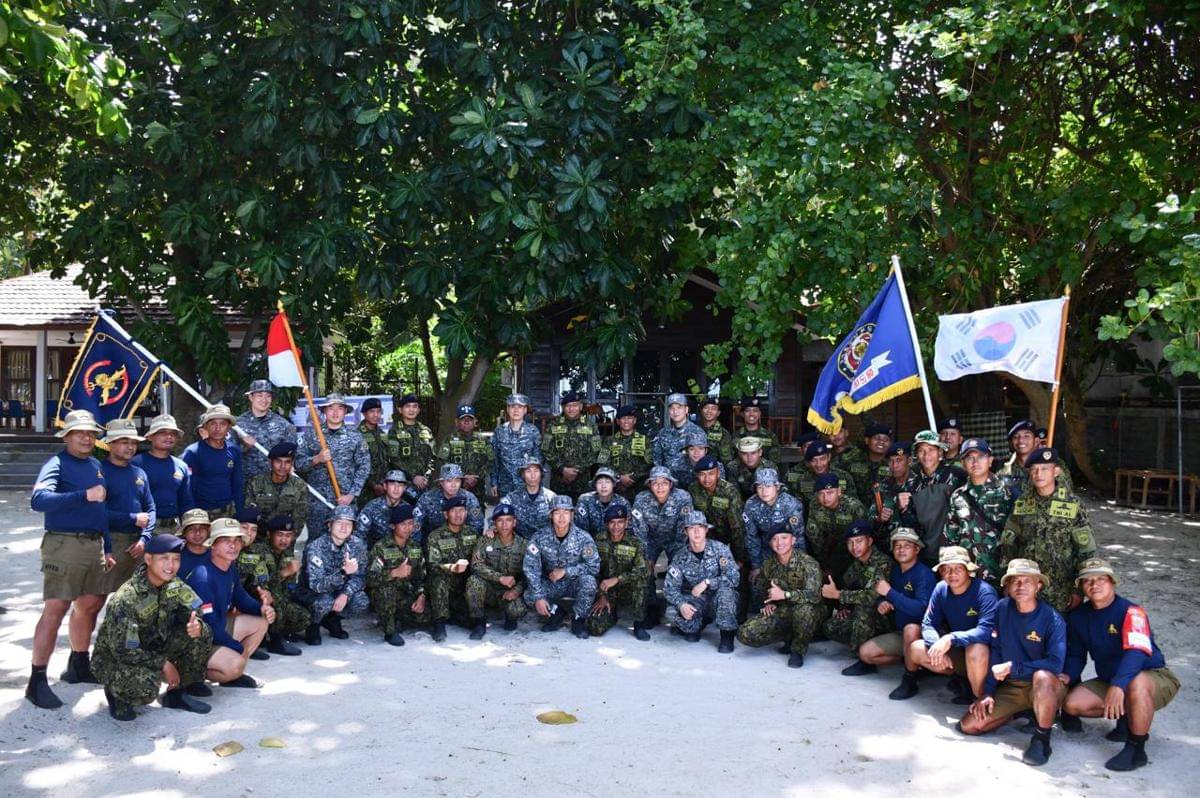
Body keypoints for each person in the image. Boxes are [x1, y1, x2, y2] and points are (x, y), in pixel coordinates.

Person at [27, 410, 112, 708]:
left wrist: (109, 547)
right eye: (79, 433)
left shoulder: (95, 464)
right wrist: (82, 495)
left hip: (93, 545)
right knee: (57, 608)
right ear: (66, 437)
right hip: (64, 544)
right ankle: (36, 680)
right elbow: (38, 500)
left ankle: (77, 664)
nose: (86, 437)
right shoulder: (57, 464)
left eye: (90, 433)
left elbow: (100, 508)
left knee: (90, 604)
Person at [1061, 559, 1180, 772]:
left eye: (1101, 579)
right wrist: (1068, 675)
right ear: (1081, 587)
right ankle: (1128, 718)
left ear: (1113, 582)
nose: (1094, 584)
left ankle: (1136, 747)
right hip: (1112, 679)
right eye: (1087, 581)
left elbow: (1137, 652)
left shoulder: (1133, 612)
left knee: (1137, 682)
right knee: (1072, 704)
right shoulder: (1079, 617)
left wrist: (1118, 686)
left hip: (1152, 676)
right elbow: (1077, 655)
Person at [92, 534, 214, 720]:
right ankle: (117, 695)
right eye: (164, 558)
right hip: (118, 658)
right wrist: (163, 664)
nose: (171, 565)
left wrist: (195, 623)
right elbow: (123, 651)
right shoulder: (127, 598)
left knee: (201, 634)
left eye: (176, 559)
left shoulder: (174, 584)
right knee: (145, 687)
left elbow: (194, 609)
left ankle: (177, 693)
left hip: (154, 645)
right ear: (148, 559)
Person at [959, 559, 1067, 768]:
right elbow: (996, 650)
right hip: (1013, 686)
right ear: (1007, 586)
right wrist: (988, 692)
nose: (1020, 586)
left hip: (1045, 685)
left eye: (1027, 581)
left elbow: (1055, 664)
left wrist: (1013, 667)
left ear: (1039, 585)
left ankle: (1042, 737)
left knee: (1043, 676)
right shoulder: (1003, 608)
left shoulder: (1052, 619)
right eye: (1014, 581)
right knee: (969, 726)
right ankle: (1019, 711)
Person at [999, 447, 1097, 612]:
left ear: (1056, 471)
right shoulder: (1022, 504)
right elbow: (1008, 544)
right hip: (1027, 587)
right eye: (1034, 470)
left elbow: (1085, 550)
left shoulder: (1073, 505)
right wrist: (1008, 581)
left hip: (1061, 590)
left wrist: (1078, 589)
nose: (1039, 474)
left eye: (1044, 469)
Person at [185, 517, 275, 690]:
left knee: (261, 621)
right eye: (226, 541)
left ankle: (234, 673)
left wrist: (263, 609)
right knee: (236, 662)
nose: (233, 546)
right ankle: (192, 674)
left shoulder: (229, 567)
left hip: (217, 627)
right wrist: (236, 648)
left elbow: (241, 598)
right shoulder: (202, 577)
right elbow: (208, 627)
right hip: (197, 640)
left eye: (236, 540)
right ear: (213, 545)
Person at [906, 546, 998, 704]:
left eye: (958, 569)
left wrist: (950, 639)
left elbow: (986, 631)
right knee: (916, 649)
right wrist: (936, 645)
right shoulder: (941, 588)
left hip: (987, 657)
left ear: (968, 570)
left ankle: (980, 700)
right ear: (941, 572)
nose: (952, 574)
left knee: (976, 649)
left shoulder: (985, 592)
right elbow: (928, 623)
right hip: (959, 651)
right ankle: (962, 679)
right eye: (946, 569)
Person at [859, 528, 938, 698]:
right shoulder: (895, 571)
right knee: (866, 653)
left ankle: (910, 680)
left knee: (911, 628)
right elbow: (885, 595)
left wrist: (890, 594)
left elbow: (921, 609)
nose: (901, 550)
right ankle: (916, 663)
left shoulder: (923, 574)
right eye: (897, 546)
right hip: (900, 632)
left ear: (917, 549)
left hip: (924, 634)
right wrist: (883, 602)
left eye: (907, 546)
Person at [737, 524, 827, 668]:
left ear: (793, 540)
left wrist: (785, 595)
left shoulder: (808, 563)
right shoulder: (769, 565)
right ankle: (790, 635)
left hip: (810, 610)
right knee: (745, 633)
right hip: (783, 611)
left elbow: (814, 595)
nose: (779, 543)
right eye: (774, 539)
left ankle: (798, 650)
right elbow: (764, 590)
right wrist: (769, 602)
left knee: (804, 611)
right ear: (770, 543)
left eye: (784, 538)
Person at [821, 521, 895, 674]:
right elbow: (848, 583)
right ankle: (866, 646)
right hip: (870, 619)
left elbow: (872, 596)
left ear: (870, 541)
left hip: (888, 618)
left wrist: (838, 595)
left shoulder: (882, 562)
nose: (855, 547)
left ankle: (865, 661)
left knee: (863, 608)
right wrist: (845, 608)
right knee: (831, 626)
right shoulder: (858, 563)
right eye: (851, 543)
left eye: (859, 541)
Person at [523, 495, 601, 638]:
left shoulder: (583, 538)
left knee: (589, 582)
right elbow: (531, 567)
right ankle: (556, 612)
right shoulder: (539, 537)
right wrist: (539, 597)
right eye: (557, 512)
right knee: (529, 595)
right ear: (551, 515)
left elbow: (594, 567)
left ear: (572, 515)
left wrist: (566, 571)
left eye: (566, 512)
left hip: (574, 583)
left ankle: (578, 619)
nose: (562, 517)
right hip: (551, 583)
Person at [662, 511, 740, 652]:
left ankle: (727, 636)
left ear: (706, 530)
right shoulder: (680, 556)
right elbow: (669, 588)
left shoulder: (720, 549)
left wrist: (708, 582)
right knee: (671, 612)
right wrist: (681, 604)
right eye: (692, 528)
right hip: (698, 601)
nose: (696, 532)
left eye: (700, 527)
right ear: (686, 531)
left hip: (718, 599)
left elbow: (734, 578)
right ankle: (696, 625)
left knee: (727, 594)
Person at [296, 393, 371, 536]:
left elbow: (364, 466)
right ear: (324, 411)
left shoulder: (355, 437)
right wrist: (316, 459)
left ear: (345, 411)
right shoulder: (312, 435)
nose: (335, 412)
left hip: (344, 501)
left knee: (345, 542)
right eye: (331, 408)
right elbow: (298, 464)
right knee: (315, 542)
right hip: (318, 502)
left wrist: (352, 494)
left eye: (340, 408)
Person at [942, 438, 1013, 584]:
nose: (975, 462)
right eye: (969, 458)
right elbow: (951, 535)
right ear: (962, 463)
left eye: (980, 457)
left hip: (999, 572)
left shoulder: (1007, 493)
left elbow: (1016, 535)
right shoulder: (958, 496)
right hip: (967, 573)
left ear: (990, 460)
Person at [631, 466, 694, 624]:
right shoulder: (641, 499)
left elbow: (684, 530)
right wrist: (647, 556)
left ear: (671, 485)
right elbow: (640, 531)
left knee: (681, 567)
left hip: (675, 539)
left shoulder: (683, 498)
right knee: (643, 566)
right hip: (651, 539)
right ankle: (652, 606)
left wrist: (677, 558)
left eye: (664, 483)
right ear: (649, 485)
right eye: (655, 483)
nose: (660, 487)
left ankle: (679, 605)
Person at [299, 505, 369, 644]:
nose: (344, 527)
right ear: (330, 525)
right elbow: (316, 585)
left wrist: (345, 594)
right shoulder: (316, 547)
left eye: (348, 524)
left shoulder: (357, 545)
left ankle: (333, 619)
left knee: (361, 601)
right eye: (339, 523)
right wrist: (343, 573)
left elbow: (361, 577)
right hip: (313, 592)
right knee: (324, 602)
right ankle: (313, 624)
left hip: (339, 591)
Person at [100, 419, 157, 593]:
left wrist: (144, 539)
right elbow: (94, 512)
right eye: (124, 442)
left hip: (138, 545)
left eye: (133, 443)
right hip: (110, 542)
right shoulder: (99, 471)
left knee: (138, 597)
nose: (130, 447)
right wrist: (132, 518)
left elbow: (151, 508)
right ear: (110, 444)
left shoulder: (139, 472)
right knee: (95, 600)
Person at [366, 504, 429, 646]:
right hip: (386, 594)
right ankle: (390, 631)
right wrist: (394, 573)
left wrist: (421, 596)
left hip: (406, 594)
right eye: (403, 524)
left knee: (427, 614)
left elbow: (421, 576)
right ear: (393, 526)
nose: (408, 528)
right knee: (386, 591)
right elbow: (370, 579)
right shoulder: (381, 547)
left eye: (411, 523)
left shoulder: (415, 547)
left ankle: (400, 619)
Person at [587, 505, 651, 641]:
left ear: (627, 523)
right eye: (612, 522)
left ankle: (639, 623)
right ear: (606, 524)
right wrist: (602, 595)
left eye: (620, 522)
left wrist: (618, 579)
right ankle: (612, 615)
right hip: (606, 591)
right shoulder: (597, 541)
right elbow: (591, 570)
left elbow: (643, 570)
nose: (616, 526)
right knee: (595, 627)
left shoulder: (635, 543)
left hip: (630, 590)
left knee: (642, 580)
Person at [465, 503, 527, 639]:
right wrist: (499, 578)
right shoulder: (486, 541)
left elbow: (528, 575)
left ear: (515, 522)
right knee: (473, 581)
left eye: (508, 520)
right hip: (489, 589)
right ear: (494, 523)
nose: (504, 525)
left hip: (510, 591)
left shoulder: (523, 545)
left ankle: (509, 616)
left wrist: (516, 591)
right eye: (500, 521)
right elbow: (476, 565)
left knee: (518, 610)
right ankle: (479, 623)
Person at [898, 430, 965, 558]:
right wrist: (903, 509)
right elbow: (912, 523)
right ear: (917, 454)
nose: (926, 455)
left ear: (940, 452)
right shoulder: (912, 483)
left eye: (931, 450)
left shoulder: (956, 475)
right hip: (927, 551)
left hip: (954, 550)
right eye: (921, 450)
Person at [426, 495, 482, 641]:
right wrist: (452, 568)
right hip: (445, 583)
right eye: (454, 511)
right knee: (439, 580)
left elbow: (481, 560)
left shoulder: (473, 533)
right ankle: (439, 624)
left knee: (468, 616)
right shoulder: (435, 536)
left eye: (462, 510)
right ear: (446, 514)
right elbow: (433, 565)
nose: (458, 514)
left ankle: (477, 622)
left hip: (465, 586)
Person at [133, 414, 193, 536]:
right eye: (162, 432)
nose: (169, 437)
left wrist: (188, 528)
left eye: (173, 433)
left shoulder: (181, 466)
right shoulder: (136, 464)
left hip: (174, 529)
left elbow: (185, 501)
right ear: (150, 436)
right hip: (144, 530)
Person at [741, 468, 806, 581]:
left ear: (777, 487)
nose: (764, 491)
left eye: (768, 486)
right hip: (767, 548)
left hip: (789, 549)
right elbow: (751, 537)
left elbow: (798, 537)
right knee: (757, 582)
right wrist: (756, 565)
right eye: (760, 487)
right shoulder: (751, 505)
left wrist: (798, 563)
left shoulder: (791, 505)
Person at [183, 404, 244, 517]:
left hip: (227, 512)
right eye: (213, 424)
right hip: (201, 514)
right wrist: (192, 516)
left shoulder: (234, 450)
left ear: (229, 427)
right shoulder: (193, 452)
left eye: (223, 424)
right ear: (205, 426)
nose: (217, 428)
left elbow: (237, 484)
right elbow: (188, 488)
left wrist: (239, 513)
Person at [236, 379, 297, 490]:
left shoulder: (284, 425)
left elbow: (292, 455)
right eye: (260, 395)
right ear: (251, 397)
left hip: (274, 486)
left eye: (268, 396)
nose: (264, 400)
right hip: (245, 486)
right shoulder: (237, 425)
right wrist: (245, 447)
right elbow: (228, 455)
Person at [260, 515, 307, 655]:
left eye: (288, 535)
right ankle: (275, 641)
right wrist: (285, 572)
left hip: (278, 596)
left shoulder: (287, 553)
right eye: (279, 535)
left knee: (303, 616)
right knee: (277, 601)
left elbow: (289, 586)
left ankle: (275, 634)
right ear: (269, 534)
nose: (284, 540)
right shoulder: (259, 551)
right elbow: (261, 584)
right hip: (259, 597)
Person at [687, 455, 747, 566]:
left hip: (729, 534)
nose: (706, 479)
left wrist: (739, 558)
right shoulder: (693, 490)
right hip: (705, 536)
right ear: (697, 475)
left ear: (718, 473)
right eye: (702, 475)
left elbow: (737, 527)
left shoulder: (729, 491)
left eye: (711, 474)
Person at [541, 390, 602, 499]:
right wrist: (562, 469)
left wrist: (577, 470)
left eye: (574, 405)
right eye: (567, 406)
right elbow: (546, 449)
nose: (571, 409)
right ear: (563, 408)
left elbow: (596, 451)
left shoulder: (591, 426)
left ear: (580, 407)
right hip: (559, 481)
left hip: (582, 483)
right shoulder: (553, 425)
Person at [805, 473, 867, 578]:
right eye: (821, 493)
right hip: (825, 547)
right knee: (810, 531)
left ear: (839, 492)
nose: (825, 498)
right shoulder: (814, 504)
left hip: (849, 549)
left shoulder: (854, 507)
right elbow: (813, 532)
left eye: (830, 493)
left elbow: (864, 536)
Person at [245, 441, 310, 537]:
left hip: (284, 538)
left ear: (292, 463)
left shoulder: (300, 486)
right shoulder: (256, 483)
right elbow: (249, 515)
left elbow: (299, 519)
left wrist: (288, 540)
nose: (283, 467)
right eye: (278, 461)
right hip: (258, 537)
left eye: (287, 462)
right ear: (270, 462)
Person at [436, 403, 494, 507]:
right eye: (463, 419)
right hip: (454, 489)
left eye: (470, 419)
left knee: (477, 518)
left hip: (478, 489)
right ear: (456, 422)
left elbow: (491, 462)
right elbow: (442, 462)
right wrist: (461, 477)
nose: (467, 422)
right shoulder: (449, 440)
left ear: (475, 422)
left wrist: (477, 477)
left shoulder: (484, 441)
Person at [413, 463, 485, 542]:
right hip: (432, 543)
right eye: (449, 481)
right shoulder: (427, 498)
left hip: (462, 543)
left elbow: (477, 526)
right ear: (441, 482)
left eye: (457, 480)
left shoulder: (469, 498)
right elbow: (416, 525)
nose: (453, 485)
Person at [491, 393, 542, 498]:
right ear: (508, 409)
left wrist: (536, 482)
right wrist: (494, 482)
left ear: (525, 410)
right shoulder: (499, 432)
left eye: (520, 407)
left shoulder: (533, 431)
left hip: (526, 485)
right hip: (505, 486)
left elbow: (539, 460)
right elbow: (494, 459)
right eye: (512, 406)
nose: (516, 410)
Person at [597, 404, 654, 498]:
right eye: (623, 418)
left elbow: (649, 464)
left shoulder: (645, 440)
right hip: (615, 488)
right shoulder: (609, 440)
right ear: (618, 421)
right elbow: (602, 463)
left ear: (634, 420)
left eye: (629, 418)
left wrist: (631, 478)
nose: (626, 421)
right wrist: (619, 477)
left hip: (638, 488)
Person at [785, 440, 857, 508]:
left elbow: (854, 503)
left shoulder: (844, 476)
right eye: (814, 460)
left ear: (829, 457)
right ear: (809, 462)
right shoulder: (802, 480)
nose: (819, 464)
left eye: (822, 459)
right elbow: (796, 505)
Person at [388, 393, 435, 495]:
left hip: (424, 484)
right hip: (403, 485)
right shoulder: (394, 431)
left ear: (418, 410)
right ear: (400, 410)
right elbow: (394, 459)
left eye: (415, 406)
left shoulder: (426, 431)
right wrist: (413, 476)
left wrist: (426, 477)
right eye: (407, 406)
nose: (411, 410)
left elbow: (432, 457)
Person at [501, 454, 557, 540]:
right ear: (523, 475)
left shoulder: (551, 497)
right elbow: (497, 516)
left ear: (541, 474)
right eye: (528, 471)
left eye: (536, 471)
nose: (533, 475)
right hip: (520, 544)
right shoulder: (512, 498)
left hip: (545, 543)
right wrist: (491, 528)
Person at [652, 392, 704, 484]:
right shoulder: (663, 433)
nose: (675, 412)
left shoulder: (698, 433)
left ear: (686, 409)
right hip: (668, 487)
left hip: (692, 486)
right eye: (672, 408)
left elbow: (702, 464)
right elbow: (657, 462)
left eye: (679, 407)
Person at [357, 396, 398, 507]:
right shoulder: (357, 434)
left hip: (383, 487)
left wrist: (385, 483)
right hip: (364, 489)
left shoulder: (382, 434)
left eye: (378, 411)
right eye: (372, 411)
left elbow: (386, 460)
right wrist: (374, 485)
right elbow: (357, 464)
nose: (376, 415)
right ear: (364, 414)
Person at [357, 469, 413, 548]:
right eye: (392, 484)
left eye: (400, 485)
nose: (396, 488)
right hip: (374, 554)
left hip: (399, 555)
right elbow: (359, 535)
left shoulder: (408, 510)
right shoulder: (372, 507)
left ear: (404, 488)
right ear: (385, 486)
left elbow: (414, 537)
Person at [842, 422, 893, 508]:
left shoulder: (894, 465)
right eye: (877, 438)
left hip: (885, 515)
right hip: (856, 513)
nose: (881, 442)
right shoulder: (852, 461)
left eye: (886, 439)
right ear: (867, 440)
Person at [575, 467, 633, 540]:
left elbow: (628, 530)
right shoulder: (585, 500)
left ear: (614, 484)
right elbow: (580, 529)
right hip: (588, 542)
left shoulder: (623, 503)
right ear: (595, 485)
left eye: (607, 482)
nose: (603, 486)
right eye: (600, 482)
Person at [725, 436, 778, 501]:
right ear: (739, 454)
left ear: (760, 452)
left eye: (753, 453)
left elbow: (774, 494)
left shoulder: (770, 467)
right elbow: (733, 494)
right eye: (744, 454)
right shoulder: (733, 467)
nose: (749, 457)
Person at [734, 396, 781, 466]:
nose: (751, 414)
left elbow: (774, 461)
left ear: (759, 414)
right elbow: (733, 460)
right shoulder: (736, 436)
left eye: (755, 411)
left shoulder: (770, 436)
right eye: (748, 410)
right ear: (743, 414)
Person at [696, 397, 734, 464]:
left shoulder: (723, 434)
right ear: (701, 410)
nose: (709, 411)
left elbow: (726, 461)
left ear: (718, 413)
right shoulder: (694, 430)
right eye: (706, 408)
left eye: (713, 408)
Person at [178, 509, 212, 579]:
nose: (197, 533)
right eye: (191, 529)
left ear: (208, 532)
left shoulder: (217, 555)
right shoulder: (176, 558)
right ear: (184, 533)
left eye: (202, 528)